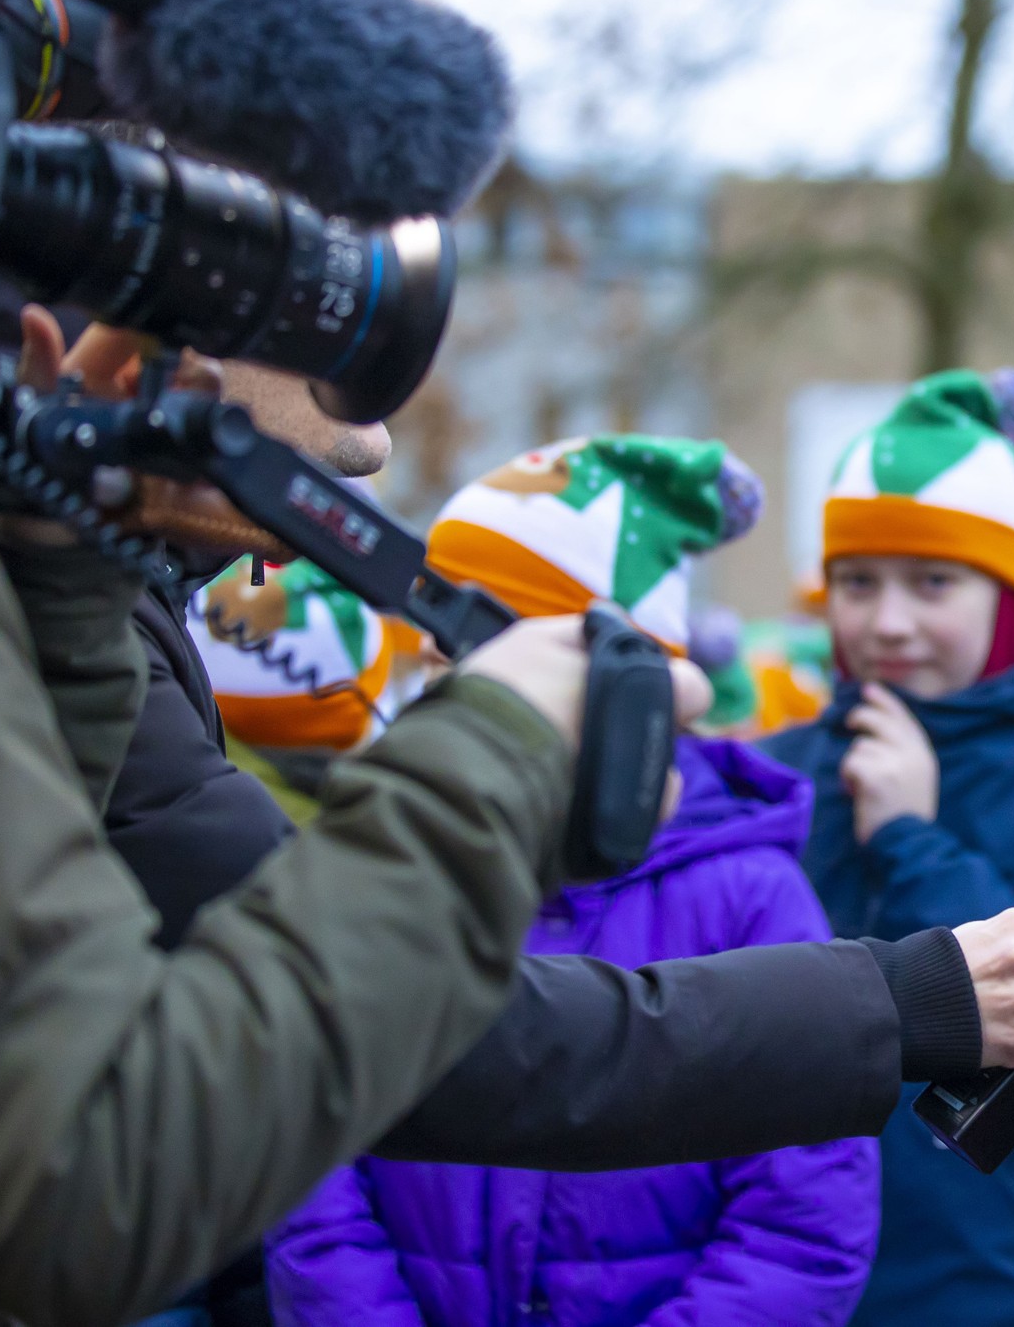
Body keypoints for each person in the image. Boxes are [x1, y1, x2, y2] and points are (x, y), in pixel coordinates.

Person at [0, 310, 1014, 1327]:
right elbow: (320, 1093)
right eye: (322, 333)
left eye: (933, 581)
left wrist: (916, 865)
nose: (368, 444)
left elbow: (830, 1195)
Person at [268, 437, 880, 1326]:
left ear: (632, 688)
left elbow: (800, 1221)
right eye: (438, 654)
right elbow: (306, 1168)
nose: (459, 693)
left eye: (497, 655)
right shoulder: (391, 859)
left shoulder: (750, 899)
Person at [762, 369, 1014, 1327]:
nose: (887, 621)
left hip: (1000, 1292)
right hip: (782, 1288)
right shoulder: (786, 772)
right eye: (858, 582)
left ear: (1011, 599)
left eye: (933, 582)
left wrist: (914, 839)